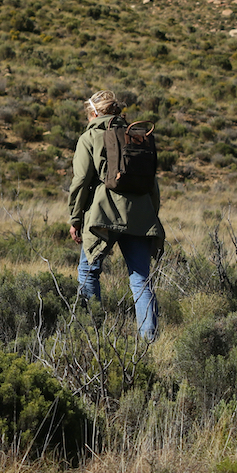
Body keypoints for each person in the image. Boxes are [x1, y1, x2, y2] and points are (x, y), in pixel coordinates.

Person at [68, 89, 165, 340]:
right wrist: (151, 216)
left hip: (103, 214)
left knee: (89, 272)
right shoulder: (137, 137)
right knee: (141, 279)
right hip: (141, 215)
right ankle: (148, 341)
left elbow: (80, 181)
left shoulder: (90, 137)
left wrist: (75, 218)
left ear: (93, 113)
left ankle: (93, 335)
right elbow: (152, 185)